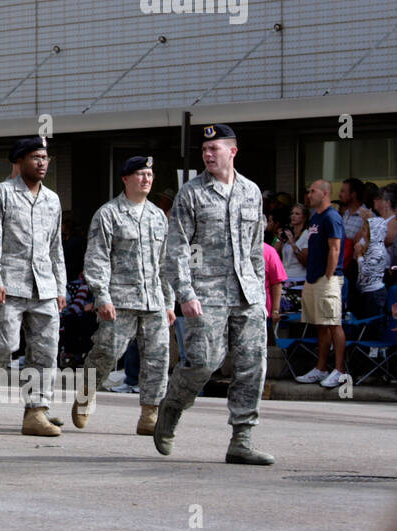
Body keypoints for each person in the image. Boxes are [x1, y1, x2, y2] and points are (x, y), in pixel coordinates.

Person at [155, 124, 273, 465]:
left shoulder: (251, 192)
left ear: (232, 151)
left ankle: (242, 438)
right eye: (205, 149)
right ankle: (172, 407)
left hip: (247, 294)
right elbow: (176, 248)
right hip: (206, 293)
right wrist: (186, 293)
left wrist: (261, 295)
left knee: (253, 365)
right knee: (205, 363)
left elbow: (255, 249)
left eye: (214, 149)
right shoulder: (191, 194)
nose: (208, 154)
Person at [0, 136, 67, 436]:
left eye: (45, 158)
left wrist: (61, 287)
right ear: (20, 161)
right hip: (9, 285)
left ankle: (36, 412)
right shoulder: (3, 194)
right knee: (4, 346)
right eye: (35, 157)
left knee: (46, 352)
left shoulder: (52, 199)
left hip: (45, 287)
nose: (41, 163)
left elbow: (55, 247)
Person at [71, 156, 174, 436]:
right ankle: (86, 393)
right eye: (140, 174)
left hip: (153, 300)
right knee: (108, 351)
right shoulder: (109, 214)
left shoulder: (157, 217)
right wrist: (102, 296)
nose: (146, 179)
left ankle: (149, 413)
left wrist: (169, 301)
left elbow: (166, 263)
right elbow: (97, 258)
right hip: (120, 300)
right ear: (126, 179)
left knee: (158, 357)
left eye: (150, 175)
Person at [294, 179, 348, 388]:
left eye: (313, 191)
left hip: (328, 280)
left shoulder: (332, 217)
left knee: (334, 323)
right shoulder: (315, 217)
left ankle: (340, 371)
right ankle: (321, 368)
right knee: (321, 325)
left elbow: (335, 248)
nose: (309, 194)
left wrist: (328, 275)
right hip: (313, 278)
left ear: (325, 193)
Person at [354, 186, 396, 319]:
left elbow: (386, 239)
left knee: (374, 317)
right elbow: (357, 240)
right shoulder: (377, 221)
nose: (374, 201)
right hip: (364, 275)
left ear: (387, 202)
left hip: (380, 275)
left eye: (378, 199)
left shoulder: (392, 221)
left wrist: (369, 222)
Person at [275, 202, 310, 286]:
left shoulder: (306, 235)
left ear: (304, 217)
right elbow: (274, 255)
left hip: (299, 279)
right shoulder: (288, 232)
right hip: (284, 277)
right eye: (292, 213)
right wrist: (280, 241)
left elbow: (306, 261)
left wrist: (293, 244)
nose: (293, 216)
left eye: (297, 214)